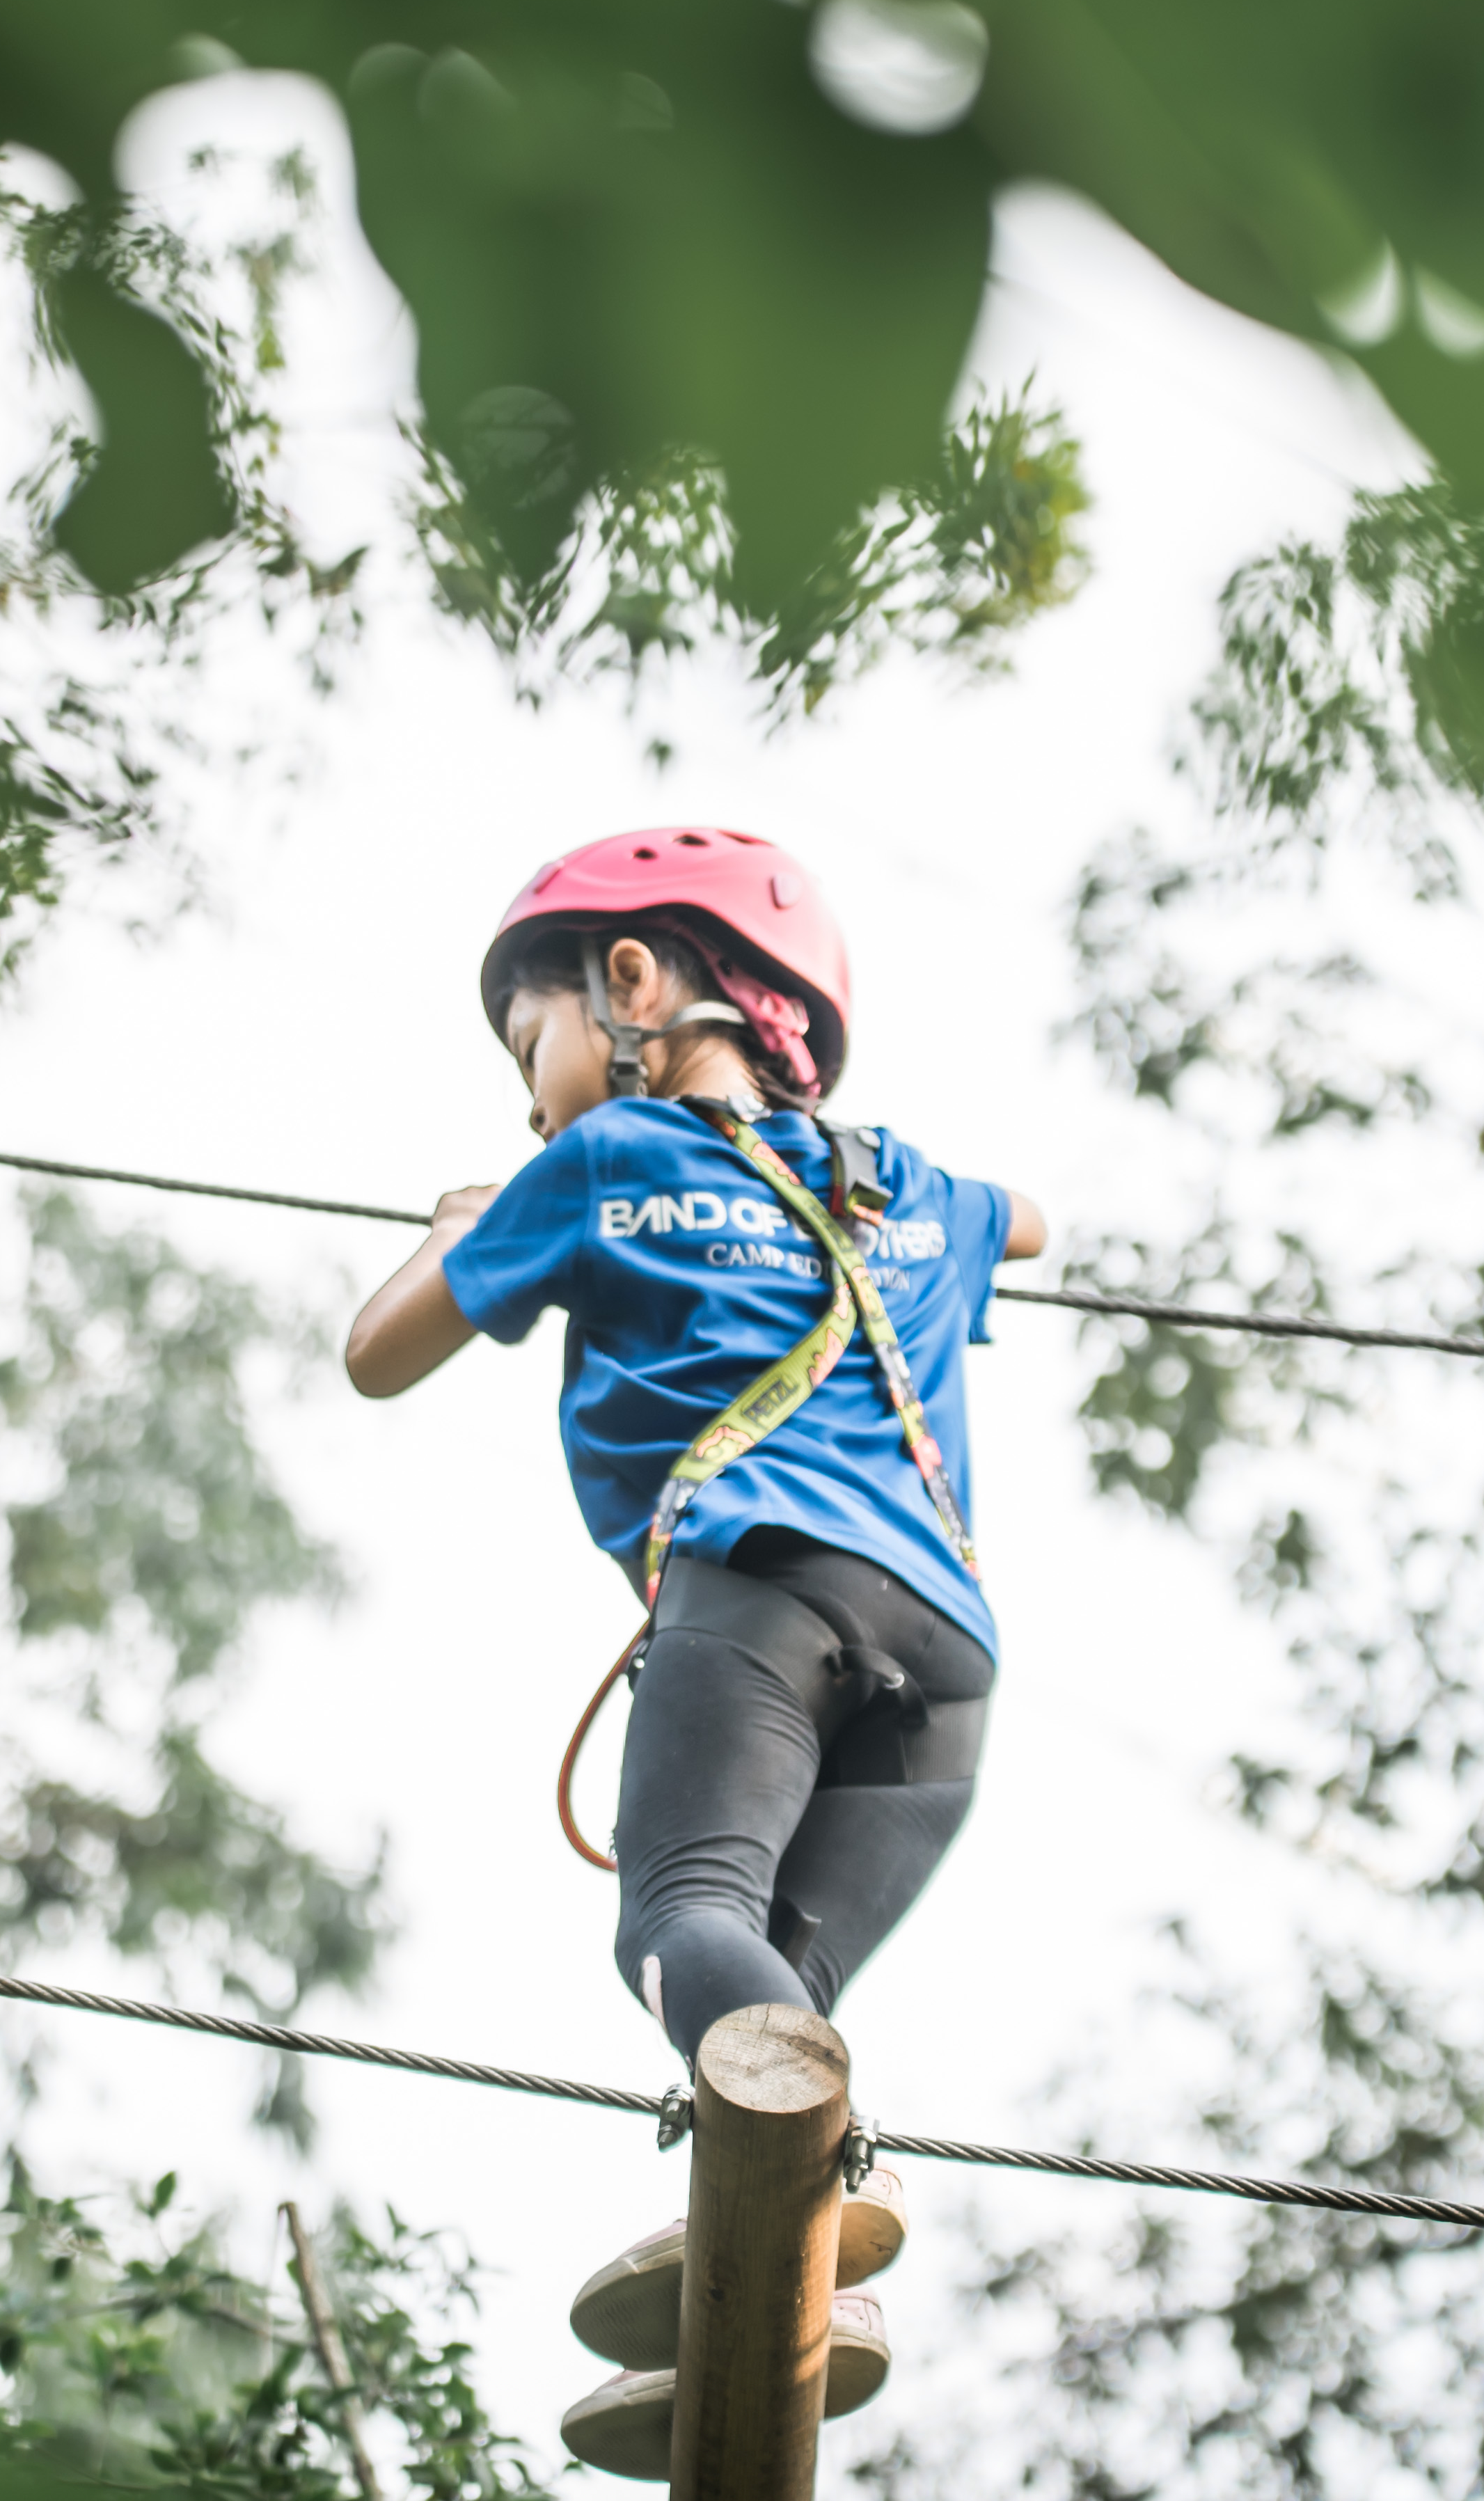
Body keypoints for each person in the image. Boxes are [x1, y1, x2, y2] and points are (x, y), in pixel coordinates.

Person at [344, 826, 1045, 2477]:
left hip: (761, 1592)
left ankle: (819, 2205)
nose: (534, 1100)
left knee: (677, 1924)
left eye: (539, 1046)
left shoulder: (592, 1169)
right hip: (945, 1662)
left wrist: (474, 1223)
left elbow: (373, 1356)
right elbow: (1030, 1221)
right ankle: (786, 2282)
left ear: (636, 984)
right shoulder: (912, 1187)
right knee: (772, 2000)